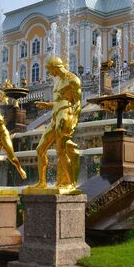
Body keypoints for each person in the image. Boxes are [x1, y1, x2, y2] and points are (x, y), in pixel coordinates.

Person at [28, 56, 81, 191]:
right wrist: (47, 104)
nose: (49, 73)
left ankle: (71, 183)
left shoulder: (73, 80)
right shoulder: (59, 81)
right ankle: (42, 182)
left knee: (61, 151)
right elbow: (59, 101)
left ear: (55, 67)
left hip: (65, 115)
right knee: (40, 149)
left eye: (49, 70)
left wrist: (73, 122)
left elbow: (78, 104)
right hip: (55, 116)